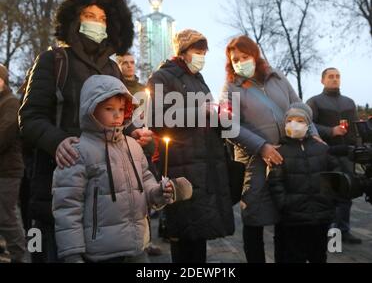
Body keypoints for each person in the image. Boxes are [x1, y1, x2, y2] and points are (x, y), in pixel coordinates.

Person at [18, 0, 152, 262]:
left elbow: (115, 117)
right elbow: (29, 118)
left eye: (103, 18)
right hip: (59, 189)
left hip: (105, 203)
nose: (97, 22)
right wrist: (56, 142)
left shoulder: (113, 69)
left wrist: (132, 131)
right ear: (75, 18)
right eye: (90, 15)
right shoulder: (52, 61)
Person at [52, 75, 174, 263]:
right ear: (90, 110)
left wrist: (159, 192)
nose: (117, 115)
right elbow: (68, 207)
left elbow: (146, 181)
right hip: (100, 253)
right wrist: (72, 254)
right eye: (109, 109)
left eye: (121, 109)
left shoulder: (133, 146)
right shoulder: (78, 152)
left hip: (137, 248)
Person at [222, 35, 321, 263]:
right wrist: (262, 147)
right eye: (235, 59)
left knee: (285, 221)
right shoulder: (230, 87)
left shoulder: (277, 77)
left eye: (244, 57)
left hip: (287, 159)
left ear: (255, 55)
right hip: (255, 163)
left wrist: (313, 134)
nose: (240, 62)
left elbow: (300, 107)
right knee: (254, 221)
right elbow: (229, 124)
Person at [147, 29, 235, 263]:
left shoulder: (199, 80)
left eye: (204, 53)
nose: (202, 57)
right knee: (184, 235)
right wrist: (201, 111)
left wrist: (221, 117)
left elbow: (206, 118)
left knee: (199, 235)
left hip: (206, 165)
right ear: (183, 52)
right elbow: (155, 118)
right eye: (198, 52)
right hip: (181, 164)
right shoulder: (162, 77)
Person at [268, 103, 337, 263]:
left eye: (300, 120)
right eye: (290, 120)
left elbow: (334, 175)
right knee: (294, 256)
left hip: (321, 215)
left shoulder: (322, 149)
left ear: (308, 124)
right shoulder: (280, 151)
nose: (294, 124)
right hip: (294, 218)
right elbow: (275, 182)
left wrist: (329, 199)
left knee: (319, 255)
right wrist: (285, 203)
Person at [306, 67, 361, 244]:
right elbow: (308, 124)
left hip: (346, 154)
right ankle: (328, 234)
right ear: (322, 80)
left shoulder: (349, 102)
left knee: (346, 192)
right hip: (325, 153)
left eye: (337, 76)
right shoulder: (314, 102)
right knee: (328, 195)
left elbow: (354, 128)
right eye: (331, 76)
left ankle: (343, 230)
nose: (335, 79)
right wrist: (331, 130)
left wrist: (357, 149)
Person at [116, 52, 162, 256]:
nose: (129, 66)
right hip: (122, 148)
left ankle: (147, 239)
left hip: (145, 148)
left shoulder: (143, 89)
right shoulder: (116, 87)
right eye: (124, 63)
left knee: (146, 193)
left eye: (132, 62)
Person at [0, 64, 26, 263]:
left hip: (7, 170)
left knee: (6, 216)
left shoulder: (10, 103)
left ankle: (19, 255)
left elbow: (4, 135)